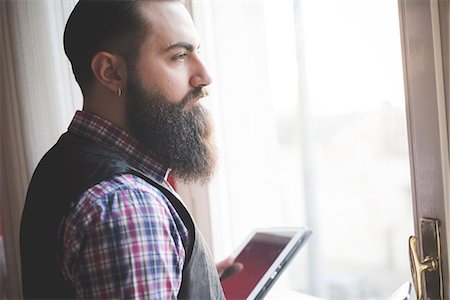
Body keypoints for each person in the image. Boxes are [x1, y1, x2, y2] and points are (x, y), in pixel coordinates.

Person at [20, 0, 241, 298]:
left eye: (197, 52)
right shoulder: (128, 205)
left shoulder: (63, 162)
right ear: (111, 72)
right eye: (179, 56)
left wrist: (186, 281)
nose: (204, 76)